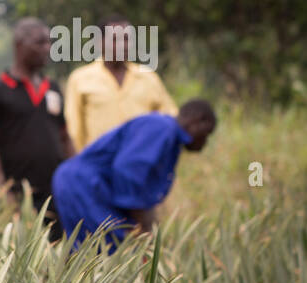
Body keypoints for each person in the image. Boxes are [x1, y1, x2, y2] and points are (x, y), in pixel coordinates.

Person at [51, 100, 217, 252]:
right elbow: (129, 171)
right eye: (206, 133)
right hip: (84, 186)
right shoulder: (162, 127)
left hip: (87, 186)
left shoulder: (169, 136)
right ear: (197, 120)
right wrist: (140, 224)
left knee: (97, 252)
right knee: (106, 254)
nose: (204, 142)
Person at [0, 18, 75, 238]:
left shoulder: (52, 88)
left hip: (56, 191)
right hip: (19, 194)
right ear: (19, 45)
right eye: (40, 43)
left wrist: (75, 176)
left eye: (49, 42)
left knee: (61, 255)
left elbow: (64, 137)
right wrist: (2, 189)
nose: (47, 49)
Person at [65, 14, 178, 151]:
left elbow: (169, 119)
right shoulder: (80, 79)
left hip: (140, 163)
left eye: (127, 39)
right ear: (99, 42)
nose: (123, 45)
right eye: (115, 40)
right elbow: (74, 130)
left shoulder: (148, 77)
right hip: (98, 165)